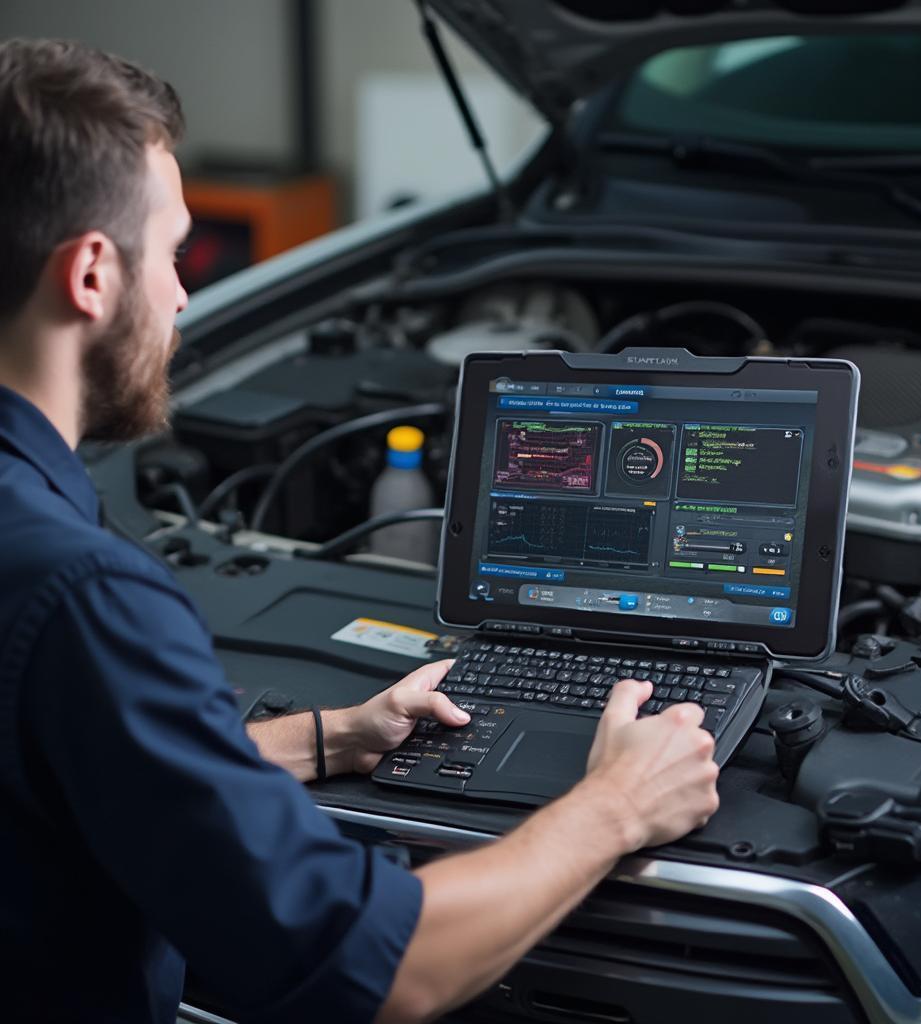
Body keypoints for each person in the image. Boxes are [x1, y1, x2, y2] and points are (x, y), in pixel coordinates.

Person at [0, 38, 720, 1024]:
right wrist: (615, 808)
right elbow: (376, 969)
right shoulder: (85, 595)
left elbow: (99, 769)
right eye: (170, 252)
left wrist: (332, 737)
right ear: (89, 274)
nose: (180, 296)